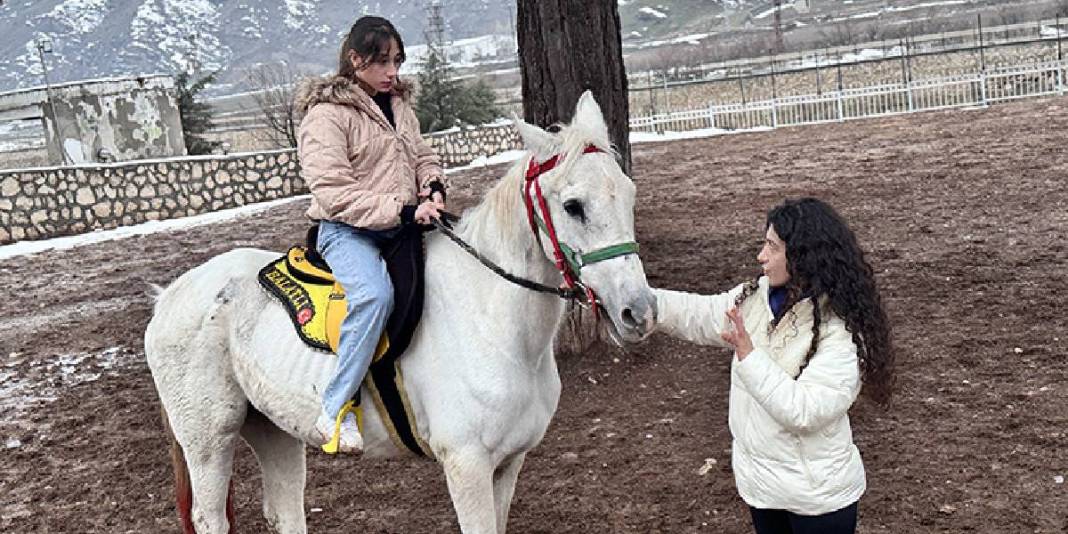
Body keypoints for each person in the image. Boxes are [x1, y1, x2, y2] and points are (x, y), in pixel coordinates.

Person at [653, 198, 895, 534]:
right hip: (764, 490)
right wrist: (642, 302)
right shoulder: (755, 297)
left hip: (818, 499)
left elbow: (804, 410)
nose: (760, 256)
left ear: (803, 256)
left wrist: (749, 355)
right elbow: (700, 313)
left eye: (772, 247)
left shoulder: (840, 329)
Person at [295, 15, 446, 454]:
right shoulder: (325, 117)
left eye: (397, 60)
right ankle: (334, 407)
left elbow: (422, 155)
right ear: (355, 59)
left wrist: (432, 185)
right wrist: (402, 210)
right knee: (374, 296)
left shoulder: (398, 105)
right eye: (381, 62)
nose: (392, 72)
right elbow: (333, 191)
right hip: (346, 232)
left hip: (400, 223)